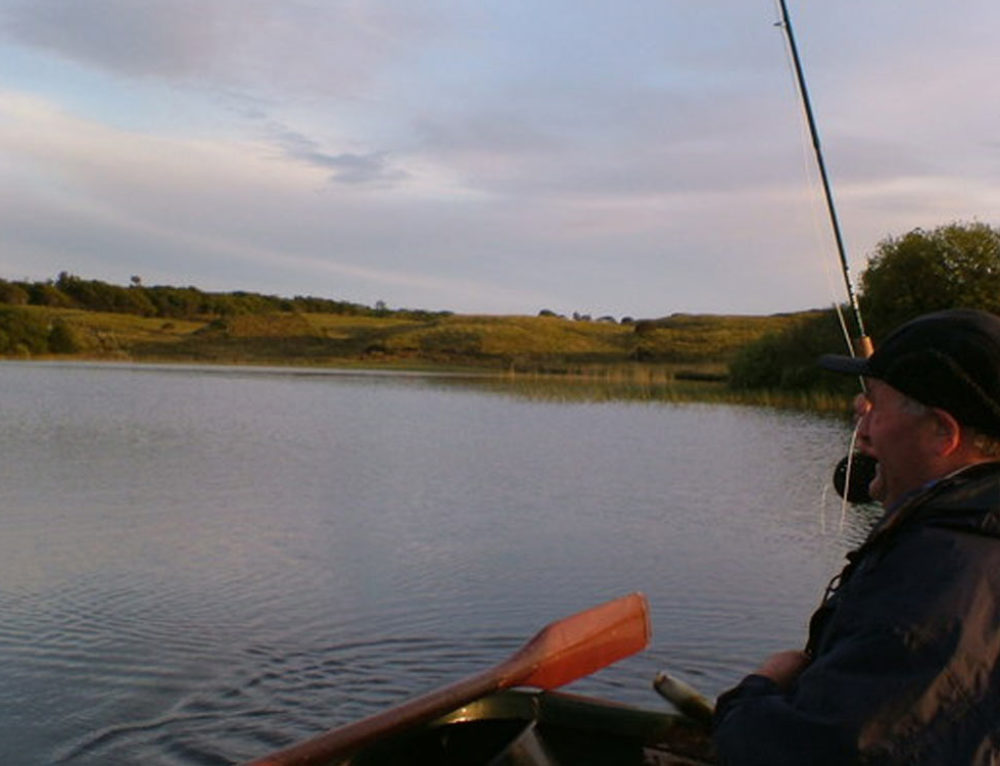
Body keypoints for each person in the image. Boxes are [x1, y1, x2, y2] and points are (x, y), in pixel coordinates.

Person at [712, 308, 1000, 765]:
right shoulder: (968, 538)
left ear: (942, 432)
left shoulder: (937, 580)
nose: (860, 432)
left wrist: (757, 691)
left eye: (874, 406)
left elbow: (824, 751)